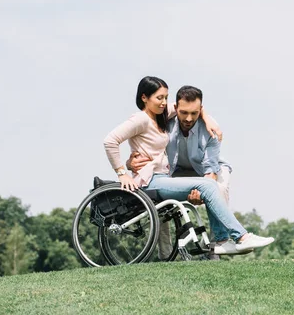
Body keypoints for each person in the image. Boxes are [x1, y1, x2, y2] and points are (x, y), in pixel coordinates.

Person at [103, 76, 274, 255]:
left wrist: (207, 117)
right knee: (208, 186)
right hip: (153, 179)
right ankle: (240, 238)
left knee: (212, 184)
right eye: (159, 98)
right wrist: (122, 171)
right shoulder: (142, 119)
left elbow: (187, 109)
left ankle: (223, 241)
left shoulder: (162, 116)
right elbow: (110, 141)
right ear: (144, 97)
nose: (163, 102)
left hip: (170, 175)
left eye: (165, 98)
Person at [126, 85, 235, 258]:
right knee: (157, 198)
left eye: (195, 113)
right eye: (184, 113)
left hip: (208, 171)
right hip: (174, 172)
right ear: (175, 108)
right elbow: (147, 150)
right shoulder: (163, 123)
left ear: (201, 110)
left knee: (218, 191)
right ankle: (166, 256)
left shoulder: (210, 128)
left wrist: (202, 191)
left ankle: (216, 250)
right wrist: (130, 163)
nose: (189, 118)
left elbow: (210, 170)